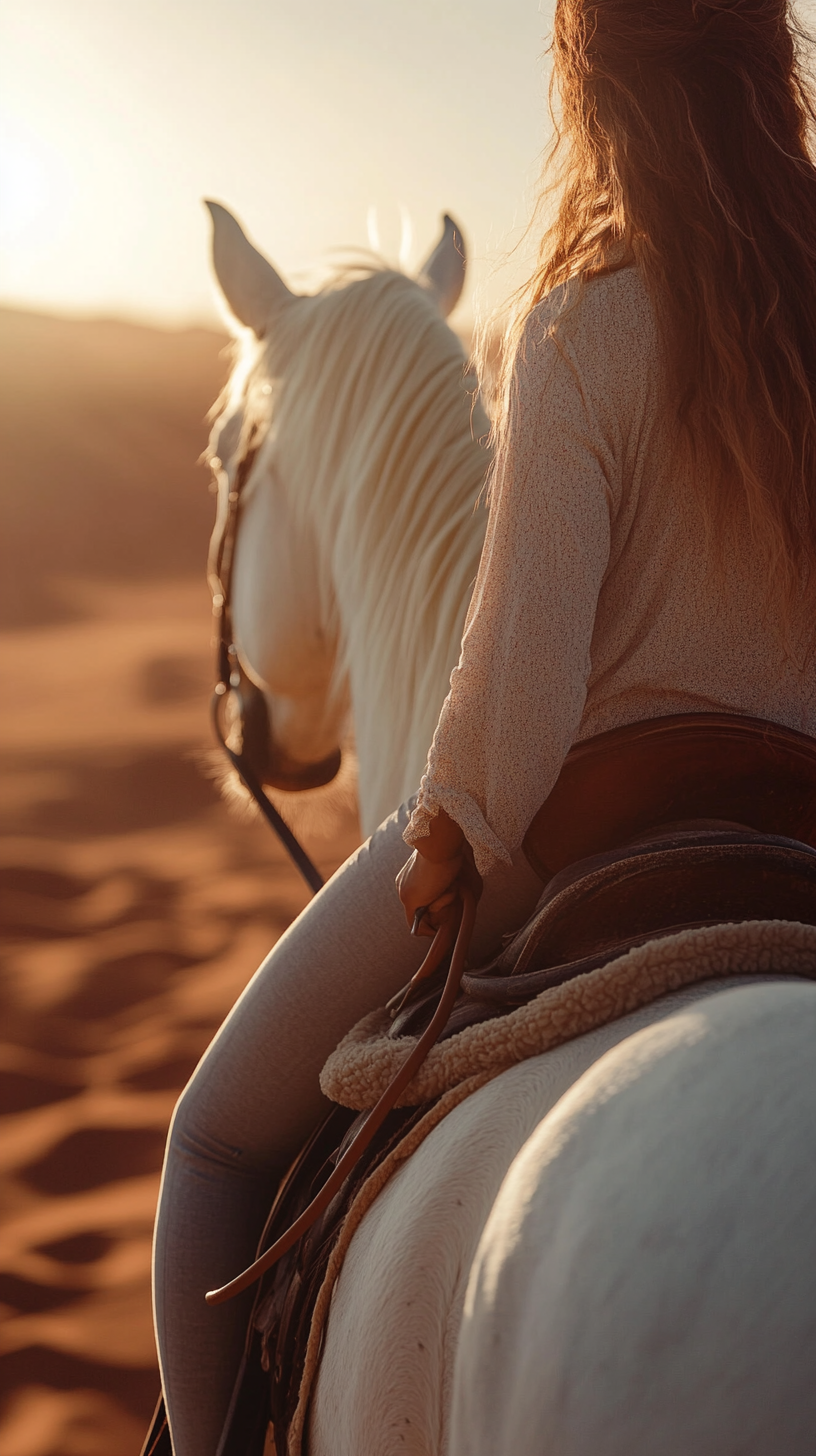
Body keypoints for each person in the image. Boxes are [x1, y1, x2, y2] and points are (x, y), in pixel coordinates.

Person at [152, 1, 816, 1450]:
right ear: (776, 71)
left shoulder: (586, 324)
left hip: (588, 827)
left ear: (596, 90)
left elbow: (508, 745)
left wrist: (445, 844)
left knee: (210, 1142)